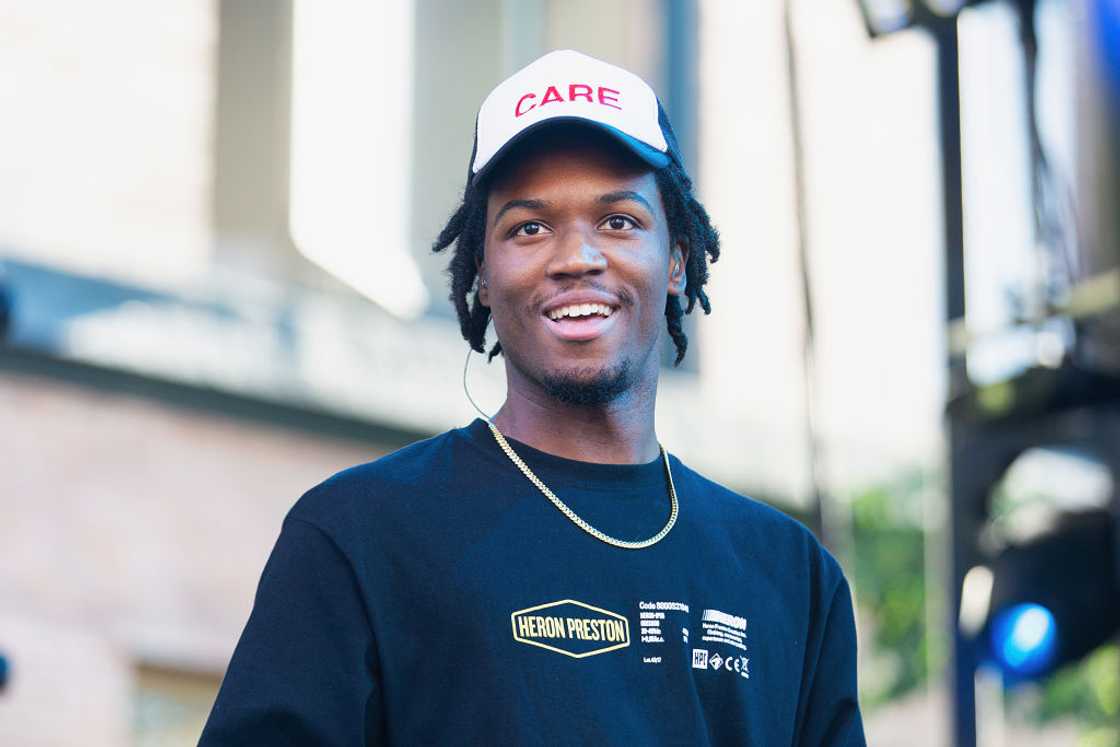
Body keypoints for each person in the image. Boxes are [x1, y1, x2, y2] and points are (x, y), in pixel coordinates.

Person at [200, 49, 865, 746]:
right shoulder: (360, 536)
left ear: (675, 259)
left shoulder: (790, 575)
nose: (575, 258)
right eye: (529, 228)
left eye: (619, 220)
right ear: (483, 275)